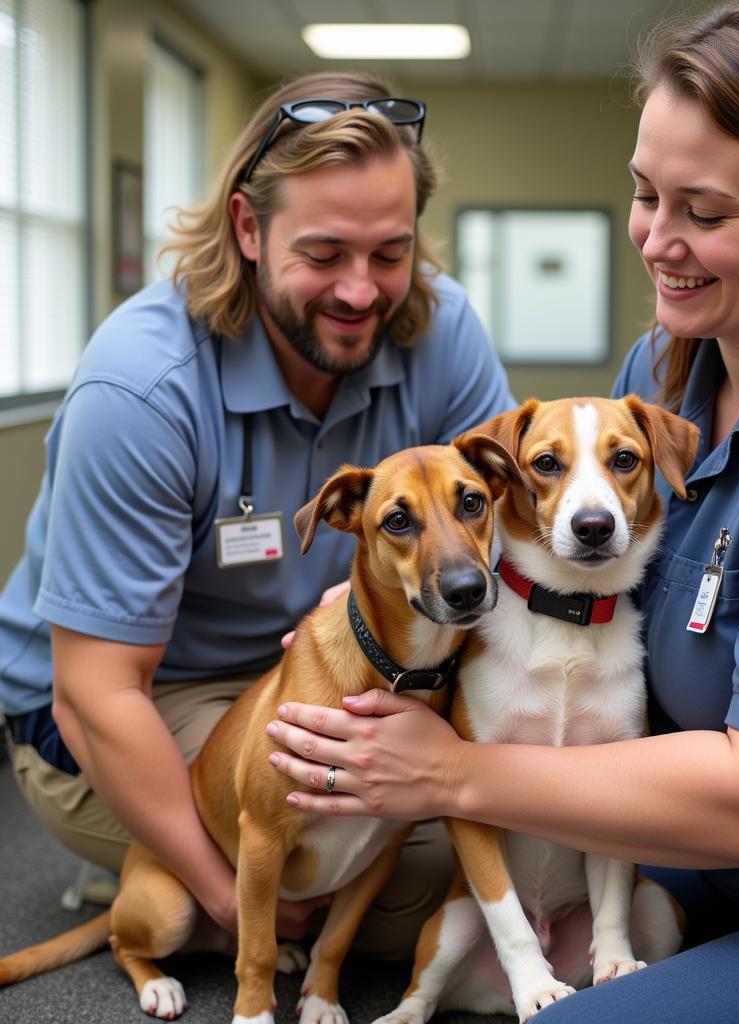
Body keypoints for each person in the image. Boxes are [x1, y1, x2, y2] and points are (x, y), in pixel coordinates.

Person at [261, 3, 739, 1021]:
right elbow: (551, 595)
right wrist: (367, 641)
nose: (657, 242)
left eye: (703, 212)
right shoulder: (664, 370)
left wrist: (454, 771)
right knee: (432, 915)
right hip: (712, 860)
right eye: (642, 193)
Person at [0, 70, 513, 954]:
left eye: (390, 253)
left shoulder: (445, 330)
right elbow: (94, 693)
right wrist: (234, 895)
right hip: (143, 690)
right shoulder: (142, 386)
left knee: (487, 843)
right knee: (410, 889)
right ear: (247, 226)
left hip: (345, 667)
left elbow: (498, 528)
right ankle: (160, 877)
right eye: (323, 255)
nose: (361, 292)